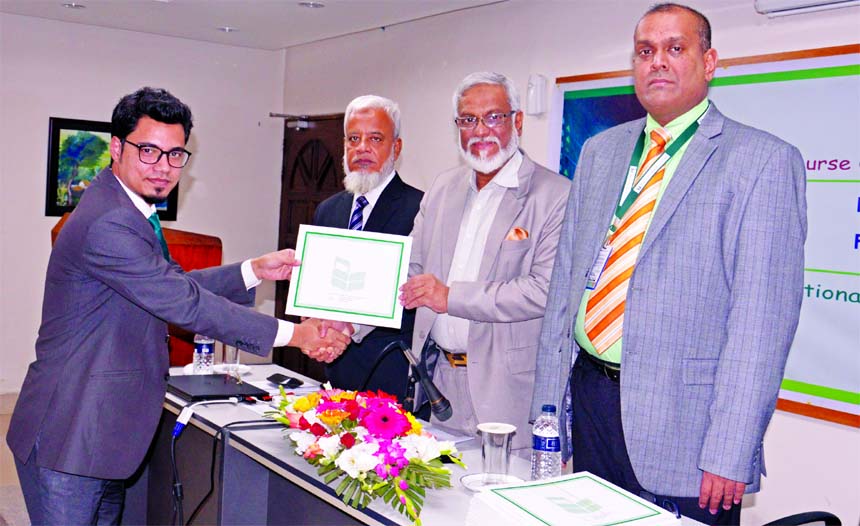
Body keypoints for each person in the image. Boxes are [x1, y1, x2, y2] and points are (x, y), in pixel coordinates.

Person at [7, 87, 350, 525]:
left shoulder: (131, 208)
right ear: (117, 147)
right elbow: (182, 302)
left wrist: (253, 271)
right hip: (71, 434)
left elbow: (170, 286)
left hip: (100, 432)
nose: (163, 168)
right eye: (148, 151)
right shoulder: (110, 220)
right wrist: (295, 334)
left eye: (175, 155)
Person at [530, 4, 806, 523]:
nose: (657, 62)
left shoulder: (761, 161)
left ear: (709, 62)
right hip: (590, 402)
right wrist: (549, 413)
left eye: (675, 48)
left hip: (688, 428)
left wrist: (730, 448)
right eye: (645, 51)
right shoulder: (601, 151)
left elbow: (761, 326)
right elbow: (565, 289)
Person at [397, 72, 570, 450]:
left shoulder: (554, 195)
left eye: (493, 117)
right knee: (438, 502)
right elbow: (408, 267)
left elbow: (544, 290)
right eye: (468, 120)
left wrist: (451, 297)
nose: (480, 130)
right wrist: (346, 314)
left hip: (506, 392)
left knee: (499, 502)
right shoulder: (443, 188)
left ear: (517, 121)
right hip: (437, 384)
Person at [313, 95, 423, 401]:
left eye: (375, 138)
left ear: (396, 147)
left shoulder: (421, 209)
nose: (362, 148)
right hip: (334, 370)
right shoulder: (327, 210)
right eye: (353, 138)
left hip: (390, 376)